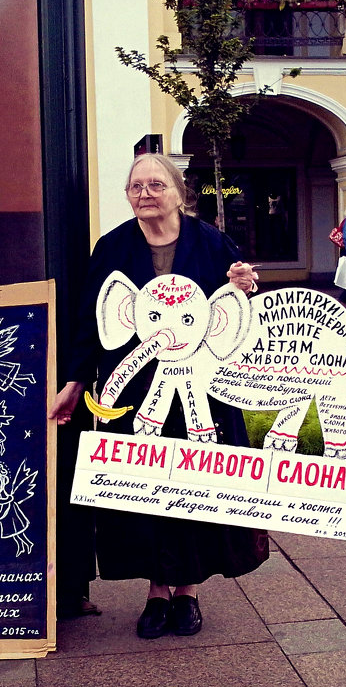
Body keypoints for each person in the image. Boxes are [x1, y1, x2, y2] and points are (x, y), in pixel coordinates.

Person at [48, 153, 268, 639]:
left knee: (193, 489)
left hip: (202, 396)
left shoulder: (212, 242)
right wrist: (74, 384)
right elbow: (91, 323)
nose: (144, 194)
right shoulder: (111, 248)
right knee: (144, 489)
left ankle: (187, 592)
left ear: (178, 191)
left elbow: (235, 317)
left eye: (155, 185)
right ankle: (155, 591)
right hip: (135, 392)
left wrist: (245, 288)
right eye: (135, 187)